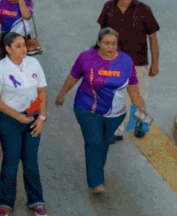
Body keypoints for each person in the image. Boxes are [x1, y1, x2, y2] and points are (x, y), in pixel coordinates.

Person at [56, 28, 148, 196]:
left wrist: (140, 111)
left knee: (103, 144)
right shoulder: (86, 58)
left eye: (114, 44)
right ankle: (96, 181)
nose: (110, 47)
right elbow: (73, 77)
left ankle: (97, 170)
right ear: (99, 43)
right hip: (87, 108)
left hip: (115, 113)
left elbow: (133, 87)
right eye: (106, 43)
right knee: (94, 142)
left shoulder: (126, 61)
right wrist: (62, 94)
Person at [0, 32, 48, 216]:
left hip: (32, 117)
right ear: (8, 49)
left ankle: (36, 200)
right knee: (11, 160)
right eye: (18, 46)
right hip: (8, 120)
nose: (24, 49)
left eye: (24, 45)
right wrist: (17, 116)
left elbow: (41, 90)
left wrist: (41, 118)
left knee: (30, 160)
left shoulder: (33, 63)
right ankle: (5, 202)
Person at [96, 0, 159, 142]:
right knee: (116, 96)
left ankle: (142, 123)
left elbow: (153, 37)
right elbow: (102, 35)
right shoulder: (108, 8)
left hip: (138, 62)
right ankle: (117, 131)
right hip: (114, 61)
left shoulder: (144, 10)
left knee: (139, 95)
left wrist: (155, 64)